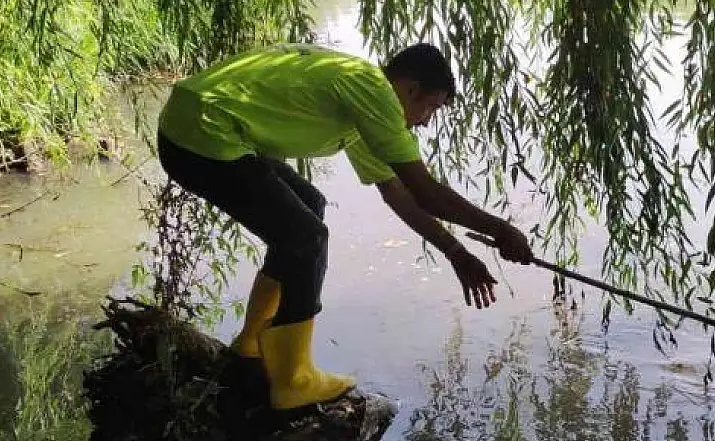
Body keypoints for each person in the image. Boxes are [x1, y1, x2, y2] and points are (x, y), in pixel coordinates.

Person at [156, 42, 534, 411]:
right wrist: (501, 230)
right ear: (411, 88)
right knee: (307, 237)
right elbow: (427, 192)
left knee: (309, 207)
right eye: (430, 108)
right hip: (202, 135)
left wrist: (457, 253)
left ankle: (252, 344)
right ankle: (293, 381)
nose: (425, 121)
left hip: (193, 122)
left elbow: (399, 195)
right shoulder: (373, 92)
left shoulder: (362, 98)